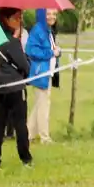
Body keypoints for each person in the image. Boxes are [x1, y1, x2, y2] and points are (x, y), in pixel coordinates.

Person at [0, 8, 33, 170]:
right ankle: (26, 159)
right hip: (15, 88)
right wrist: (18, 43)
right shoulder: (13, 42)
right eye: (16, 18)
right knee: (20, 123)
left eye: (20, 17)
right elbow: (25, 66)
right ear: (6, 20)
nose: (19, 21)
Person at [25, 8, 58, 144]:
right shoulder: (38, 30)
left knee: (40, 103)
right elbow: (31, 50)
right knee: (44, 105)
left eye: (54, 14)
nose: (52, 17)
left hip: (47, 73)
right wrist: (51, 53)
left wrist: (56, 51)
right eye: (48, 14)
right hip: (40, 73)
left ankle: (27, 134)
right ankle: (45, 137)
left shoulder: (48, 31)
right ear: (42, 15)